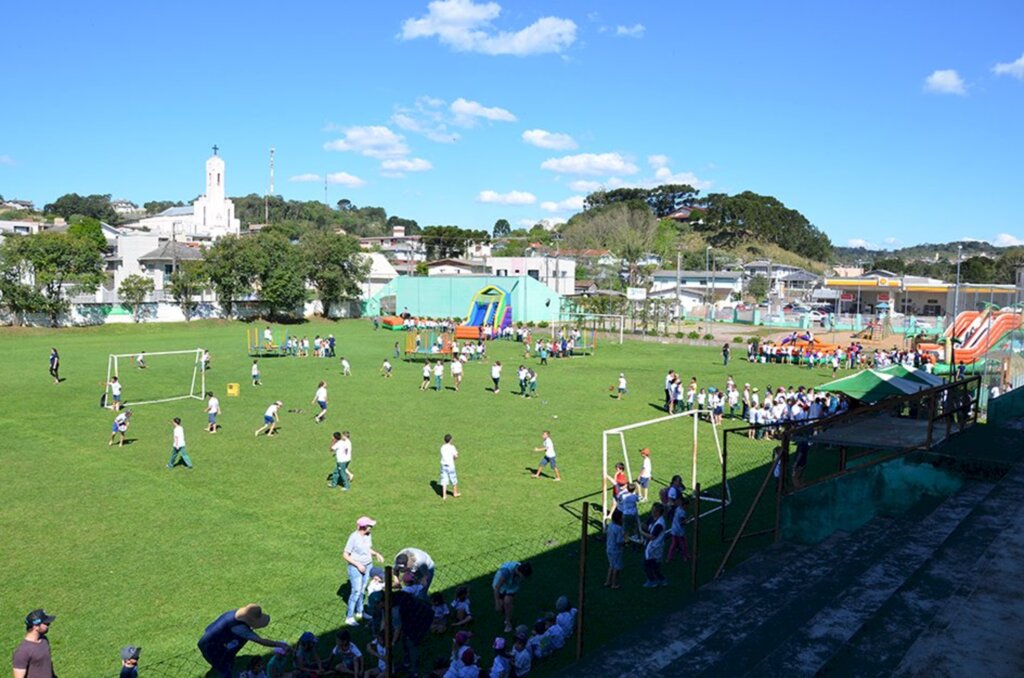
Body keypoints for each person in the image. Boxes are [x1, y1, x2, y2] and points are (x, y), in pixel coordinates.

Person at [197, 605, 290, 678]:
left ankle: (228, 660)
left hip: (213, 639)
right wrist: (279, 644)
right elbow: (260, 641)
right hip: (210, 646)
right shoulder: (239, 628)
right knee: (224, 669)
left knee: (227, 659)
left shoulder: (235, 614)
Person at [343, 516, 384, 626]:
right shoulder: (353, 538)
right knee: (356, 591)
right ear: (363, 527)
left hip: (368, 565)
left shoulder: (368, 535)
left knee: (362, 590)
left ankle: (360, 611)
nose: (371, 528)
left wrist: (376, 554)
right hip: (355, 568)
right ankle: (349, 616)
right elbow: (345, 555)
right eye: (369, 526)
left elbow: (367, 549)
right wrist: (357, 564)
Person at [12, 608, 56, 678]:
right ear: (36, 626)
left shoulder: (44, 640)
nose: (48, 625)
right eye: (46, 623)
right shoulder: (22, 652)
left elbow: (47, 665)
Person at [492, 561, 532, 633]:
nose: (524, 578)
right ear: (520, 572)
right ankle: (507, 613)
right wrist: (497, 602)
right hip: (501, 586)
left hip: (512, 585)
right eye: (524, 576)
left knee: (507, 602)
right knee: (501, 606)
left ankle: (508, 622)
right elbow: (497, 587)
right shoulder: (506, 572)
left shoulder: (520, 570)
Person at [640, 503, 669, 587]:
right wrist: (642, 526)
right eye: (652, 510)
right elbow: (647, 527)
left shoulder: (660, 523)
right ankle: (661, 580)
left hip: (654, 547)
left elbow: (652, 536)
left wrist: (642, 532)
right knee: (653, 565)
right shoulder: (653, 518)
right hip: (650, 545)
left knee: (647, 564)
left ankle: (652, 581)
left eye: (655, 511)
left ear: (659, 512)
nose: (652, 512)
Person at [604, 510, 624, 589]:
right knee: (617, 567)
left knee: (611, 565)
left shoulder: (611, 525)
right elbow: (619, 541)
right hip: (616, 550)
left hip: (609, 548)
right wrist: (625, 541)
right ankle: (614, 584)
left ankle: (607, 582)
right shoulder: (619, 529)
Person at [440, 433, 461, 499]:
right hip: (450, 465)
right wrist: (454, 458)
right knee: (454, 479)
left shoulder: (442, 447)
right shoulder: (452, 447)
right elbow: (456, 456)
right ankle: (455, 493)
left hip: (443, 465)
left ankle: (444, 496)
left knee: (444, 480)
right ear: (450, 440)